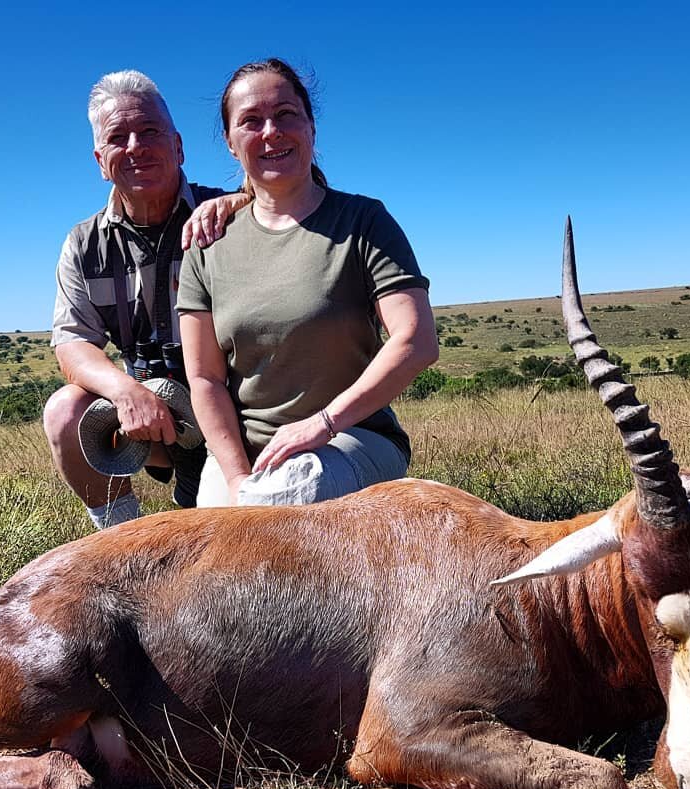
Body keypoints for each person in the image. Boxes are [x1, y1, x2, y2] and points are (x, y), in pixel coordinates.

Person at [178, 59, 439, 507]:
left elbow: (416, 340)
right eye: (251, 121)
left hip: (349, 438)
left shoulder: (363, 221)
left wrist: (324, 422)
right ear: (230, 143)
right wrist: (237, 475)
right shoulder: (207, 243)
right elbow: (203, 378)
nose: (270, 132)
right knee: (211, 531)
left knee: (280, 502)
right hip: (247, 458)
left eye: (285, 115)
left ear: (311, 127)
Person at [46, 70, 245, 529]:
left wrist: (243, 199)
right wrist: (126, 391)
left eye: (150, 131)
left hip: (229, 400)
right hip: (144, 408)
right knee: (64, 412)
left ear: (178, 146)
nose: (136, 145)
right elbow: (72, 343)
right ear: (101, 160)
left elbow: (295, 192)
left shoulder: (230, 216)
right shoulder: (82, 243)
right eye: (119, 137)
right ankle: (118, 534)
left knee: (220, 535)